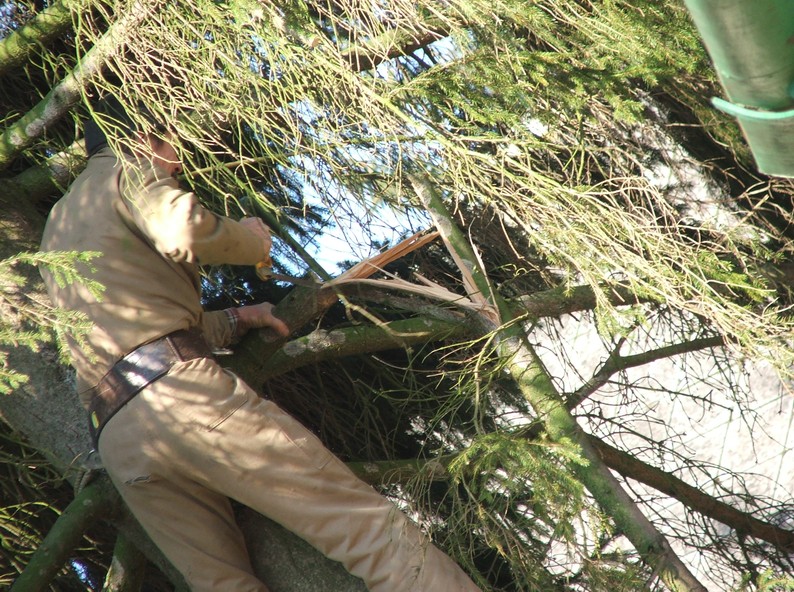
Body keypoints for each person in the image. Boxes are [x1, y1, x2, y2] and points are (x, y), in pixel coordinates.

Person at [39, 97, 482, 592]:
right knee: (368, 533)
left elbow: (127, 327)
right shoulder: (129, 169)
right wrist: (251, 240)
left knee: (223, 585)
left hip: (119, 439)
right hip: (183, 400)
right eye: (173, 147)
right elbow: (182, 229)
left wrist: (235, 319)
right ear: (143, 136)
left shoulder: (59, 221)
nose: (178, 165)